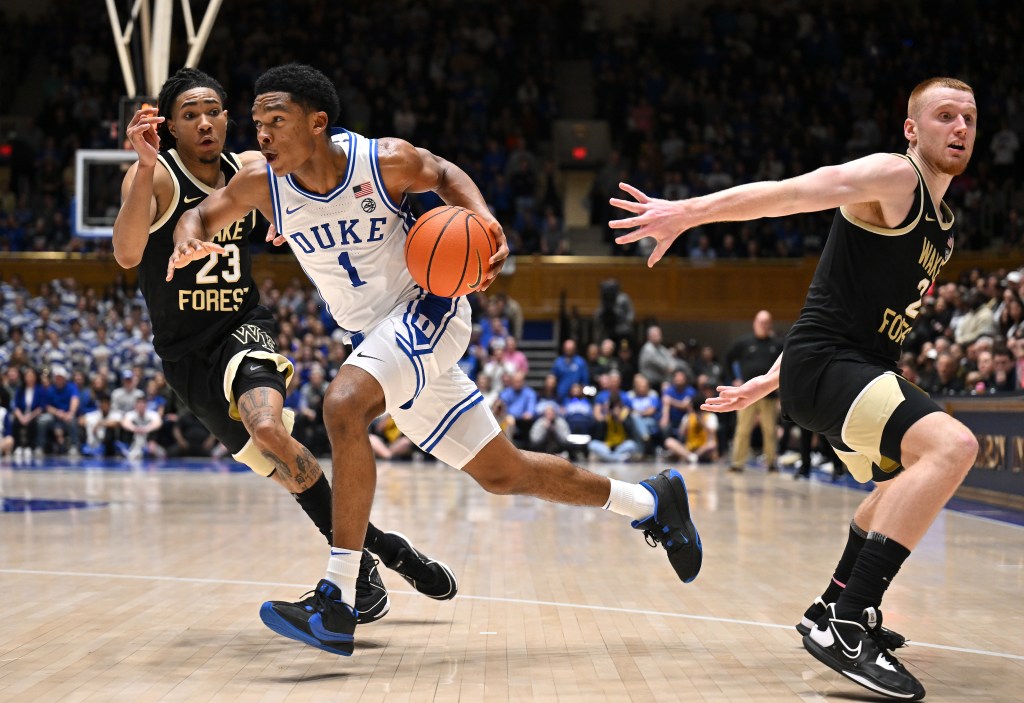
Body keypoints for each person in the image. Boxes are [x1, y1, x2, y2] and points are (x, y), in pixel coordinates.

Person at [168, 63, 701, 657]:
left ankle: (337, 597)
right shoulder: (261, 183)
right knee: (503, 472)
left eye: (276, 121)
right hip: (374, 338)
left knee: (343, 405)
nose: (261, 135)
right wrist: (188, 236)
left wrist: (485, 218)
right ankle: (653, 501)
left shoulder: (382, 160)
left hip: (429, 309)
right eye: (257, 123)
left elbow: (445, 174)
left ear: (317, 124)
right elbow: (201, 213)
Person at [611, 77, 979, 701]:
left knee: (896, 486)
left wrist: (770, 380)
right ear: (912, 129)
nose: (960, 128)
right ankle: (849, 621)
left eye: (969, 117)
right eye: (944, 116)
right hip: (834, 366)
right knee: (953, 447)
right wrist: (688, 212)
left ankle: (828, 605)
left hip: (831, 367)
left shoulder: (944, 223)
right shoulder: (895, 178)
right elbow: (789, 194)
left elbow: (842, 302)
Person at [113, 67, 456, 624]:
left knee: (269, 427)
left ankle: (349, 574)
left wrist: (290, 217)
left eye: (214, 111)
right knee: (288, 472)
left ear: (228, 118)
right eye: (189, 115)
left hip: (242, 327)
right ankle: (386, 551)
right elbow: (128, 255)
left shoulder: (255, 168)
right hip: (184, 355)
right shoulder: (153, 177)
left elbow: (322, 179)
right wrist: (146, 165)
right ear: (169, 128)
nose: (205, 123)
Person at [724, 311, 782, 473]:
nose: (763, 325)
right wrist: (733, 379)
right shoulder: (743, 343)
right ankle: (737, 463)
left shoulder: (777, 344)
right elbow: (727, 358)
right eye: (760, 322)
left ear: (770, 324)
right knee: (742, 429)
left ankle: (771, 462)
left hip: (769, 395)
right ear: (755, 323)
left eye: (766, 322)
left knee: (770, 430)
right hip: (746, 395)